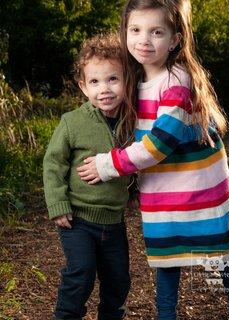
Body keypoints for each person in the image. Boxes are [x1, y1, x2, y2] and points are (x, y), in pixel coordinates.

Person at [77, 0, 229, 320]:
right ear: (125, 32)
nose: (144, 40)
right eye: (135, 30)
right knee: (167, 262)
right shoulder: (135, 81)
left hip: (200, 192)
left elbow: (158, 145)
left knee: (220, 261)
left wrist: (108, 164)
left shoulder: (177, 81)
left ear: (174, 40)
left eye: (156, 32)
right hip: (163, 195)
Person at [43, 34, 137, 320]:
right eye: (94, 82)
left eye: (112, 79)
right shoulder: (72, 122)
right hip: (78, 220)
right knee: (80, 273)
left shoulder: (133, 120)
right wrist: (58, 204)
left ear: (127, 80)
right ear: (83, 86)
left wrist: (133, 193)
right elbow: (53, 163)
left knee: (118, 279)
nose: (104, 89)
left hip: (114, 221)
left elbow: (137, 160)